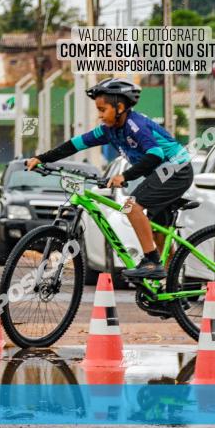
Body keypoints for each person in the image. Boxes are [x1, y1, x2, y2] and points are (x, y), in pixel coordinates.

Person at [25, 78, 193, 280]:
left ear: (120, 107)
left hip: (177, 170)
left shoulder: (135, 125)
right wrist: (42, 159)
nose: (100, 115)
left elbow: (155, 154)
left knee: (132, 206)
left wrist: (125, 176)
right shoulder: (108, 130)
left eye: (103, 109)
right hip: (161, 174)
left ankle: (152, 262)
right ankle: (173, 285)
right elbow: (74, 145)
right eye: (98, 110)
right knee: (159, 232)